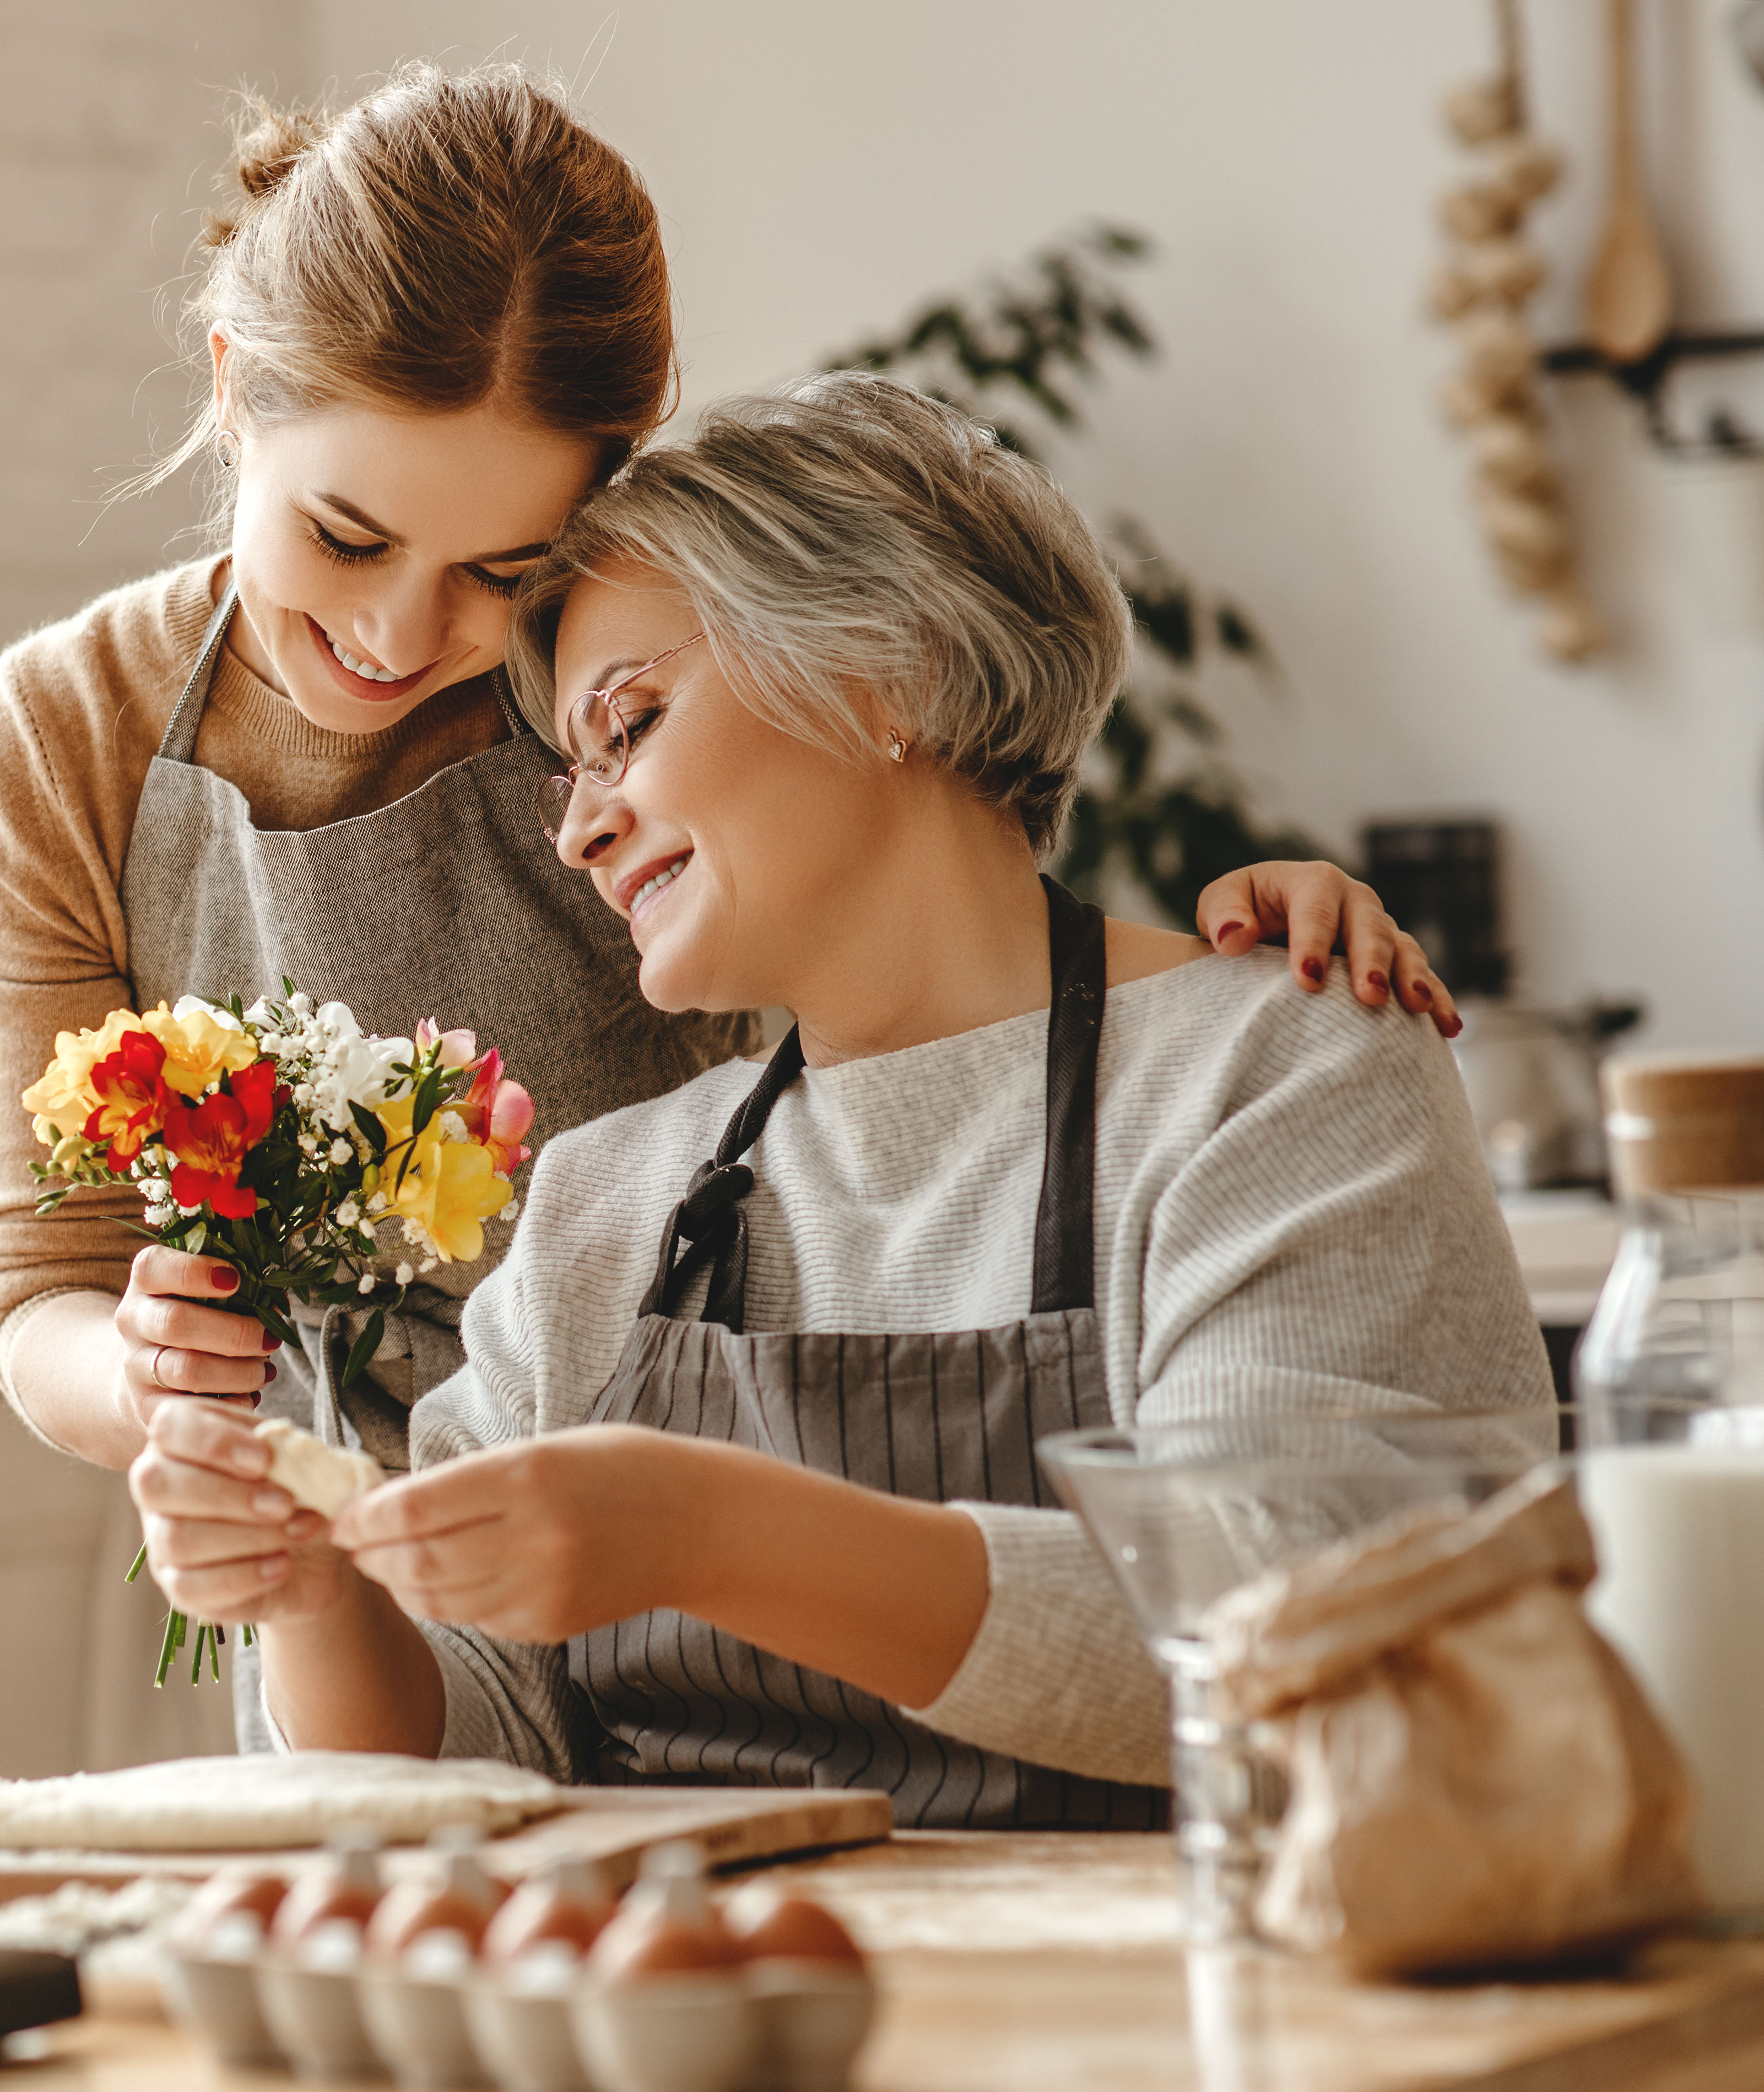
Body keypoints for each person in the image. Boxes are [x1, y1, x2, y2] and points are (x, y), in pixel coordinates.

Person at [0, 63, 1457, 1494]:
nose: (402, 635)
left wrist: (1213, 979)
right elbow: (43, 1286)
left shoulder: (629, 672)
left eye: (502, 567)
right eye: (344, 537)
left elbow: (928, 997)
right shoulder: (64, 741)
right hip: (327, 1557)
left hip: (689, 1514)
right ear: (230, 392)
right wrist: (156, 1376)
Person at [124, 373, 1553, 1817]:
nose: (580, 827)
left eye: (631, 721)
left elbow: (1299, 1625)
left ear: (888, 669)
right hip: (709, 2015)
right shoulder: (604, 1200)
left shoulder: (1276, 1070)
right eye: (569, 770)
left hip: (1189, 2004)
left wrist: (707, 1528)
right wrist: (315, 1596)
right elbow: (464, 1744)